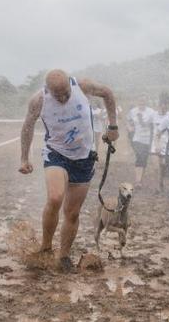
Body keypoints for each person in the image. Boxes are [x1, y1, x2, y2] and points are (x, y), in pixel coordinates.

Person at [19, 69, 119, 271]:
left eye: (66, 92)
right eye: (59, 95)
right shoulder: (39, 100)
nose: (64, 97)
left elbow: (108, 93)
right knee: (55, 198)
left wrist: (113, 126)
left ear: (69, 84)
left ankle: (64, 255)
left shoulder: (82, 86)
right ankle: (46, 248)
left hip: (84, 157)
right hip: (56, 153)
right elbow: (27, 126)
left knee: (72, 213)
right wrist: (24, 158)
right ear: (48, 90)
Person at [126, 96, 157, 188]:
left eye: (143, 101)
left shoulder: (151, 112)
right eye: (140, 100)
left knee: (144, 159)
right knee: (139, 156)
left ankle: (140, 179)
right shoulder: (133, 111)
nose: (142, 102)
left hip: (148, 139)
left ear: (146, 101)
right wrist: (129, 127)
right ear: (137, 101)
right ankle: (138, 181)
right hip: (136, 138)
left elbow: (154, 125)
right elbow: (128, 120)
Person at [150, 92, 169, 192]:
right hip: (155, 144)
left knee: (163, 165)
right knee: (155, 166)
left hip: (167, 145)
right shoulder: (153, 115)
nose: (164, 107)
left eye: (166, 105)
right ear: (159, 105)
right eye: (162, 105)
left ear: (168, 105)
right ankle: (157, 186)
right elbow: (147, 126)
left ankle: (161, 181)